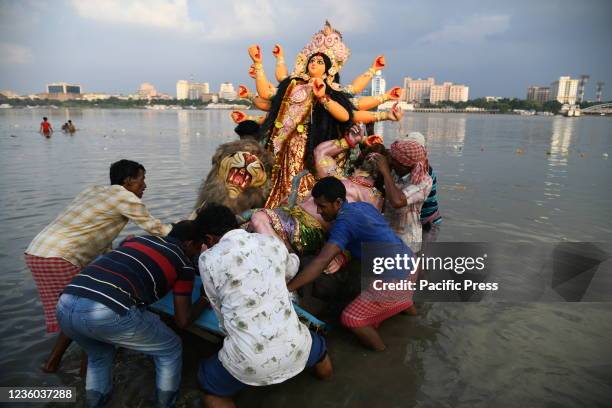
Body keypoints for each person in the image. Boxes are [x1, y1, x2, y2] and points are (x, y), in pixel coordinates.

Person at [24, 159, 172, 373]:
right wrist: (182, 232)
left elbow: (97, 231)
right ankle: (88, 372)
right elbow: (155, 227)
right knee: (84, 316)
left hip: (38, 251)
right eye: (142, 179)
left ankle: (53, 364)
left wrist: (112, 257)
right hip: (60, 256)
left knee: (71, 312)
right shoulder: (125, 197)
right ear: (129, 181)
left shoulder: (92, 191)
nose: (145, 185)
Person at [57, 220, 209, 408]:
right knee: (170, 348)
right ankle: (165, 403)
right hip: (105, 310)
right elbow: (183, 320)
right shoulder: (183, 263)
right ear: (188, 243)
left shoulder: (136, 240)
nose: (196, 252)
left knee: (99, 356)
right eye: (197, 247)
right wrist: (204, 299)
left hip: (66, 301)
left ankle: (95, 403)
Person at [197, 204, 332, 408]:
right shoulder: (270, 242)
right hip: (296, 348)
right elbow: (290, 269)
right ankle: (326, 378)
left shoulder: (208, 259)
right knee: (318, 351)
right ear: (236, 224)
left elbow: (218, 308)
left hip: (249, 362)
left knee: (208, 387)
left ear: (208, 239)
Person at [287, 177, 416, 351]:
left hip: (394, 280)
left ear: (338, 202)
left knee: (351, 319)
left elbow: (320, 262)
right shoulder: (362, 206)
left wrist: (288, 288)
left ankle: (382, 355)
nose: (318, 211)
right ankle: (413, 318)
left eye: (322, 206)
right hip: (410, 263)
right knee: (401, 294)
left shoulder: (344, 223)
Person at [372, 140, 433, 254]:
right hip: (387, 233)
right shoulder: (396, 172)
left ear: (406, 165)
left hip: (406, 240)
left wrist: (385, 171)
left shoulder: (424, 181)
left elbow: (397, 201)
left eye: (395, 162)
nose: (392, 164)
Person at [402, 132, 442, 246]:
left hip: (428, 222)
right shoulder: (411, 167)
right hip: (416, 221)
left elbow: (402, 198)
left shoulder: (425, 171)